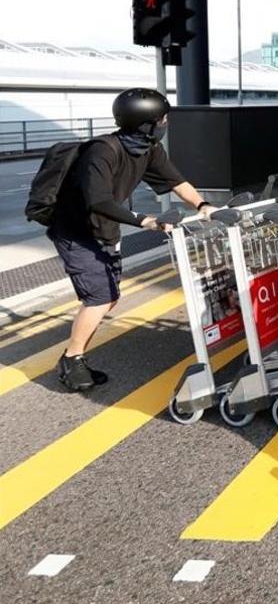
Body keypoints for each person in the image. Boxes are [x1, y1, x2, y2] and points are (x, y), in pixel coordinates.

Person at [48, 88, 216, 392]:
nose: (166, 123)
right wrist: (145, 221)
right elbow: (98, 201)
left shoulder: (148, 148)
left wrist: (203, 206)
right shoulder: (102, 151)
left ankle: (75, 354)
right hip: (77, 232)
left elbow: (177, 182)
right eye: (163, 118)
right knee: (99, 298)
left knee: (109, 298)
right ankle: (72, 359)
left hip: (106, 230)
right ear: (148, 123)